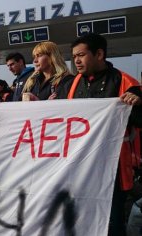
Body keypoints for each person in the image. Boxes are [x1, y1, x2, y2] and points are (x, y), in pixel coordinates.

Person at [68, 33, 142, 235]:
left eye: (81, 55)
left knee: (112, 222)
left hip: (114, 168)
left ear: (99, 54)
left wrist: (137, 104)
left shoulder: (127, 83)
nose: (76, 61)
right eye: (74, 56)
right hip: (81, 165)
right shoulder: (73, 84)